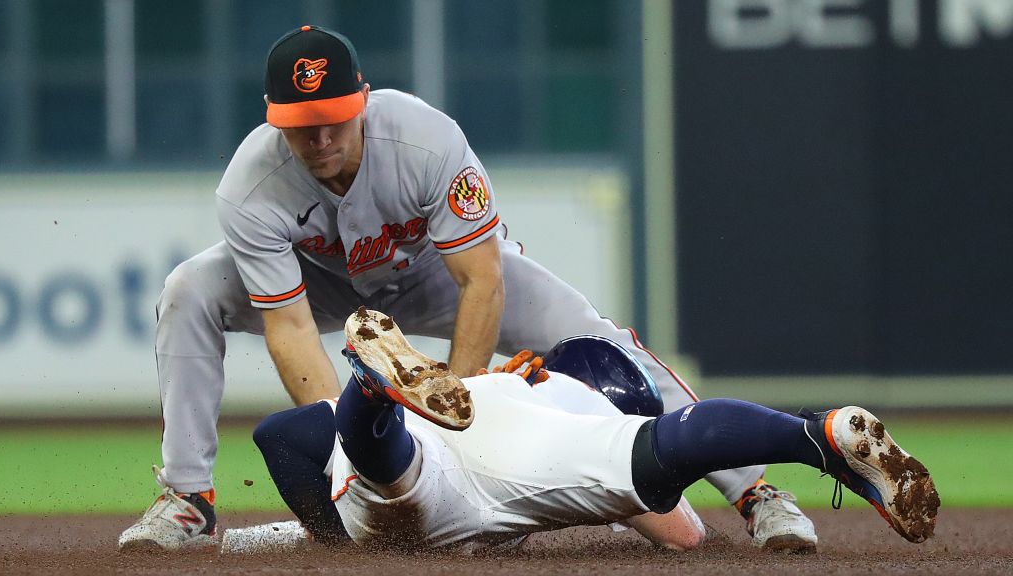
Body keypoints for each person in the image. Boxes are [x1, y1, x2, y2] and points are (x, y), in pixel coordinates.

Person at [118, 26, 816, 551]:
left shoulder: (424, 139)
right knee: (188, 291)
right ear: (277, 122)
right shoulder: (252, 186)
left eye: (334, 114)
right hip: (325, 281)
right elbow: (292, 328)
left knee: (603, 339)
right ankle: (190, 499)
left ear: (362, 100)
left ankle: (757, 493)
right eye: (302, 125)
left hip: (435, 272)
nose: (321, 136)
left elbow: (480, 279)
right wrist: (349, 454)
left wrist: (459, 402)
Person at [244, 308, 939, 553]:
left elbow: (277, 437)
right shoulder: (599, 414)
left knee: (385, 476)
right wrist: (622, 517)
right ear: (630, 396)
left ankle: (371, 393)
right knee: (667, 453)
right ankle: (811, 437)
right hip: (532, 461)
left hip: (466, 408)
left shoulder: (510, 379)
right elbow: (685, 534)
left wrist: (326, 535)